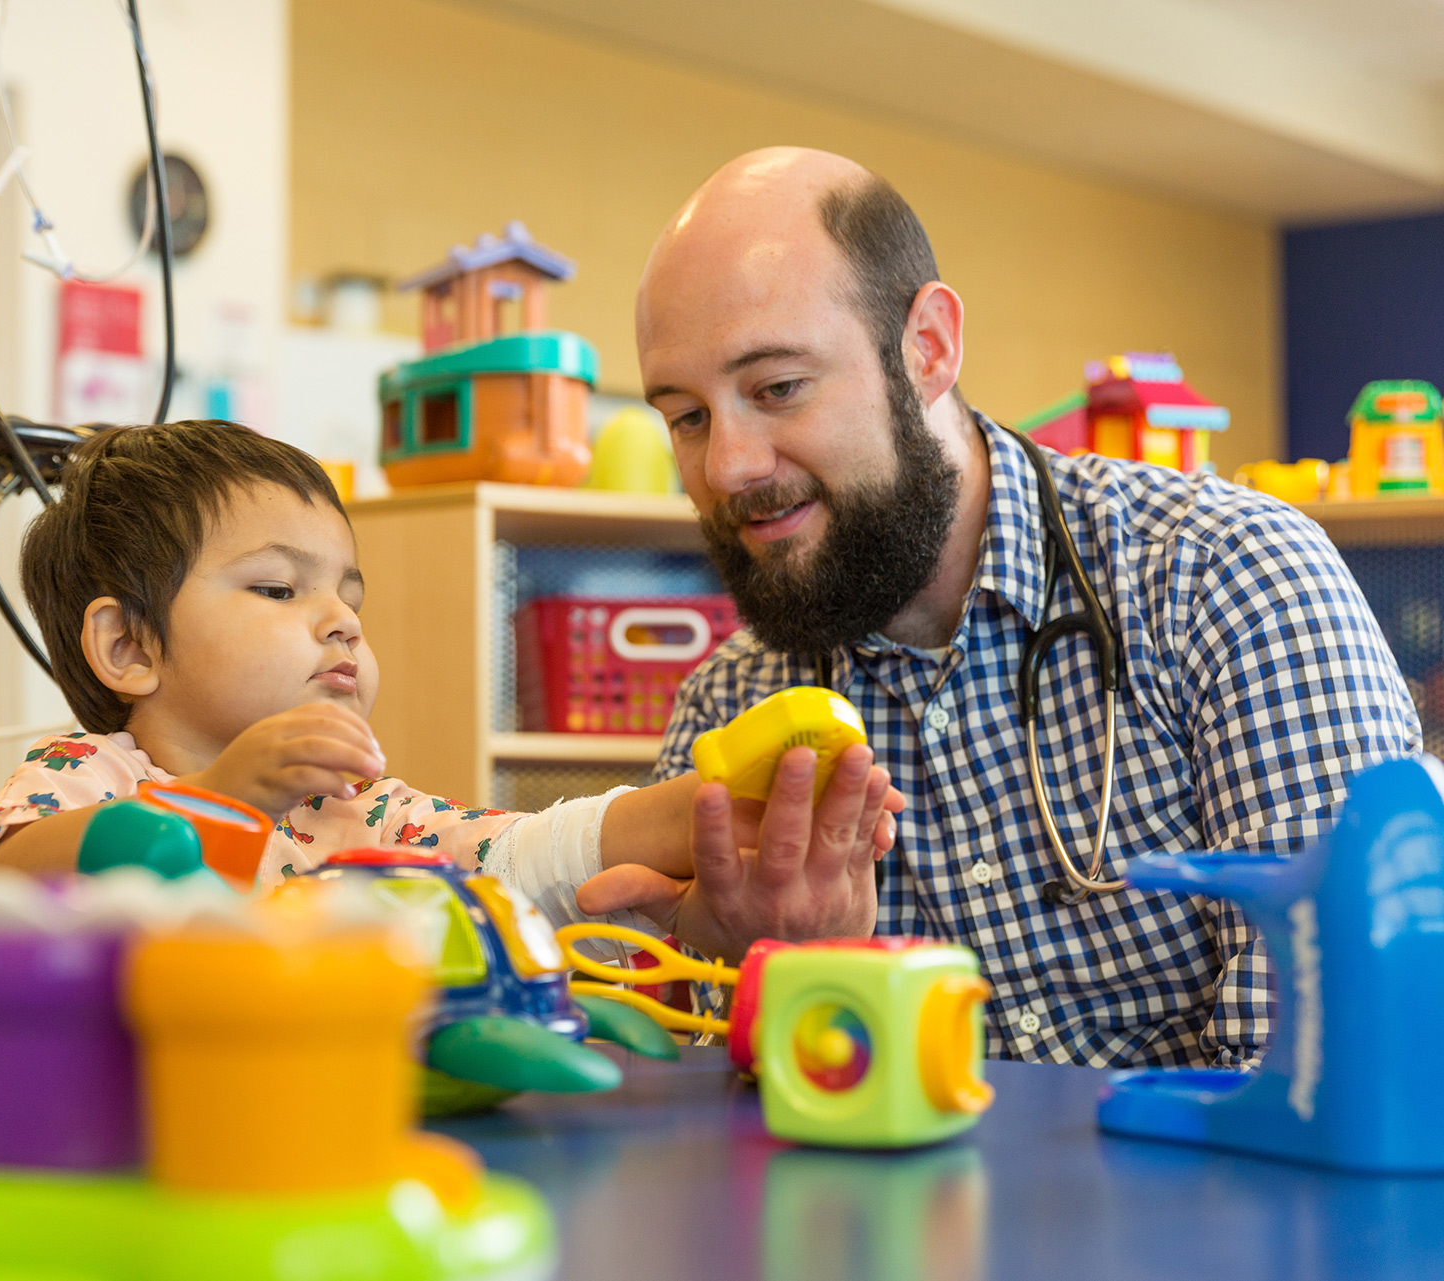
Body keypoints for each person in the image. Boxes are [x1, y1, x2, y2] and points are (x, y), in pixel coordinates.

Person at [582, 147, 1420, 1068]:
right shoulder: (727, 712)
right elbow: (750, 1145)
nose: (729, 466)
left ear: (928, 348)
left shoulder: (1225, 581)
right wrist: (800, 971)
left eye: (778, 388)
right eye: (687, 417)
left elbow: (1332, 1072)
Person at [0, 418, 902, 958]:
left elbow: (515, 854)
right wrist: (224, 800)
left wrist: (713, 814)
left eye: (347, 594)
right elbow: (10, 889)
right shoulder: (85, 778)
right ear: (128, 645)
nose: (341, 620)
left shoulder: (361, 811)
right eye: (281, 589)